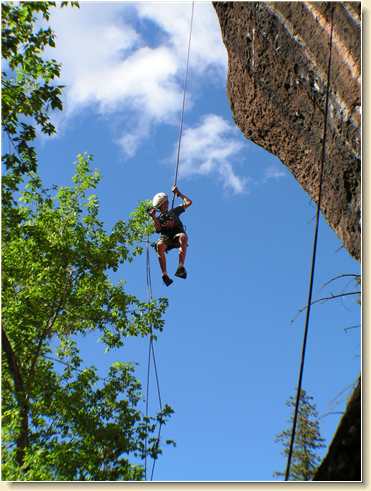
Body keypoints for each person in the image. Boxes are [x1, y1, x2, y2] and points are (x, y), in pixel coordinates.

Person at [148, 185, 192, 286]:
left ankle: (180, 266)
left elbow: (189, 202)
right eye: (165, 202)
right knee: (159, 245)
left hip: (177, 236)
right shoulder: (158, 219)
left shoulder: (174, 212)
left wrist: (178, 193)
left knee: (183, 237)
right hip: (167, 239)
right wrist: (154, 217)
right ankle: (164, 274)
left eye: (167, 202)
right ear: (162, 205)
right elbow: (158, 229)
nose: (167, 203)